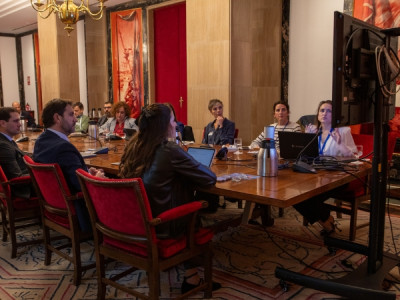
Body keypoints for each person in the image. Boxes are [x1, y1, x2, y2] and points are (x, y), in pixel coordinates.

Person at [119, 103, 221, 294]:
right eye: (173, 121)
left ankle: (191, 275)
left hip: (137, 221)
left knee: (178, 187)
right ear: (164, 125)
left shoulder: (133, 145)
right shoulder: (169, 150)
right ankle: (192, 275)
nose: (176, 125)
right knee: (193, 205)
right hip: (164, 225)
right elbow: (210, 178)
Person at [33, 99, 105, 232]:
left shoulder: (41, 141)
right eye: (71, 115)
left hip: (54, 207)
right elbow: (81, 185)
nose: (76, 120)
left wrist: (87, 172)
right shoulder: (63, 147)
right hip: (78, 211)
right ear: (57, 118)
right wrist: (96, 178)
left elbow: (67, 172)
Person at [294, 100, 357, 234]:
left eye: (329, 111)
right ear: (317, 115)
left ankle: (326, 220)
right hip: (316, 175)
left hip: (338, 177)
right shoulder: (314, 132)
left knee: (307, 199)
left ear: (334, 115)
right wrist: (307, 137)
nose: (324, 113)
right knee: (295, 195)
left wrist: (340, 144)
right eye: (322, 110)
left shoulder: (343, 131)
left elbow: (353, 158)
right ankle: (327, 219)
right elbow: (305, 157)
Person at [0, 107, 32, 198]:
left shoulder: (7, 140)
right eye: (16, 121)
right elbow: (17, 178)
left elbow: (21, 155)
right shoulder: (3, 146)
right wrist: (41, 174)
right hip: (24, 191)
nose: (20, 125)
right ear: (3, 123)